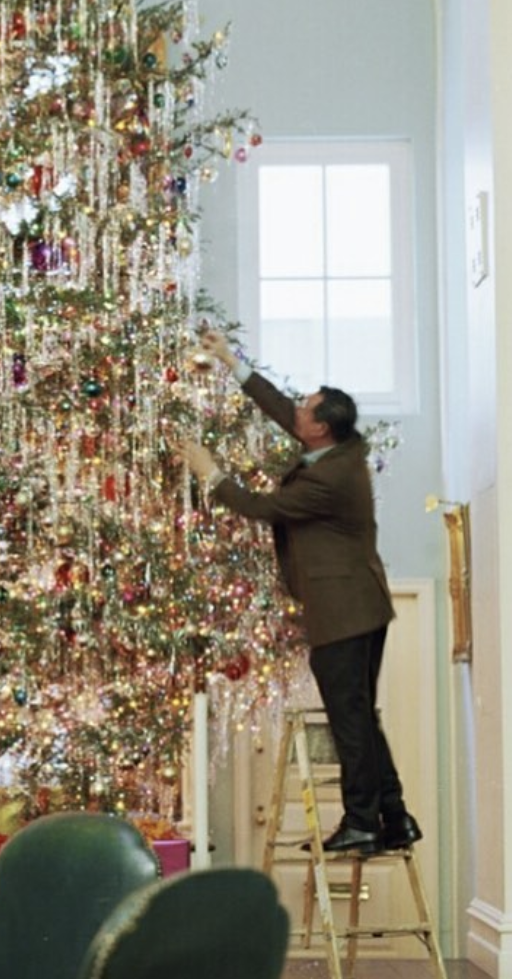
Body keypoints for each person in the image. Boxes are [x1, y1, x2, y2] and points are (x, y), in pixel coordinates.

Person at [179, 328, 421, 857]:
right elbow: (280, 409)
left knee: (348, 717)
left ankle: (362, 821)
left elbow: (263, 509)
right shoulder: (334, 452)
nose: (297, 412)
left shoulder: (329, 479)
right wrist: (229, 360)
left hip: (345, 611)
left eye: (305, 410)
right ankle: (394, 816)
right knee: (359, 713)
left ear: (321, 430)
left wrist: (210, 472)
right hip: (359, 607)